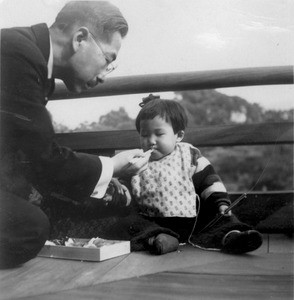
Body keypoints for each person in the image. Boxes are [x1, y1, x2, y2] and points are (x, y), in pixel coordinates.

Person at [0, 1, 151, 269]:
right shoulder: (15, 53)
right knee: (29, 228)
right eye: (108, 60)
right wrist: (114, 166)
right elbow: (43, 157)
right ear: (80, 38)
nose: (104, 75)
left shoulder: (29, 55)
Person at [129, 94, 263, 254]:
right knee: (131, 222)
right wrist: (119, 195)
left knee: (221, 217)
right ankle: (160, 239)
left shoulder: (189, 155)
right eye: (144, 135)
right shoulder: (136, 162)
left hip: (194, 220)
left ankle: (232, 236)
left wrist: (221, 202)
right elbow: (127, 192)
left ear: (178, 136)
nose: (151, 140)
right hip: (153, 222)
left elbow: (209, 180)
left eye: (159, 134)